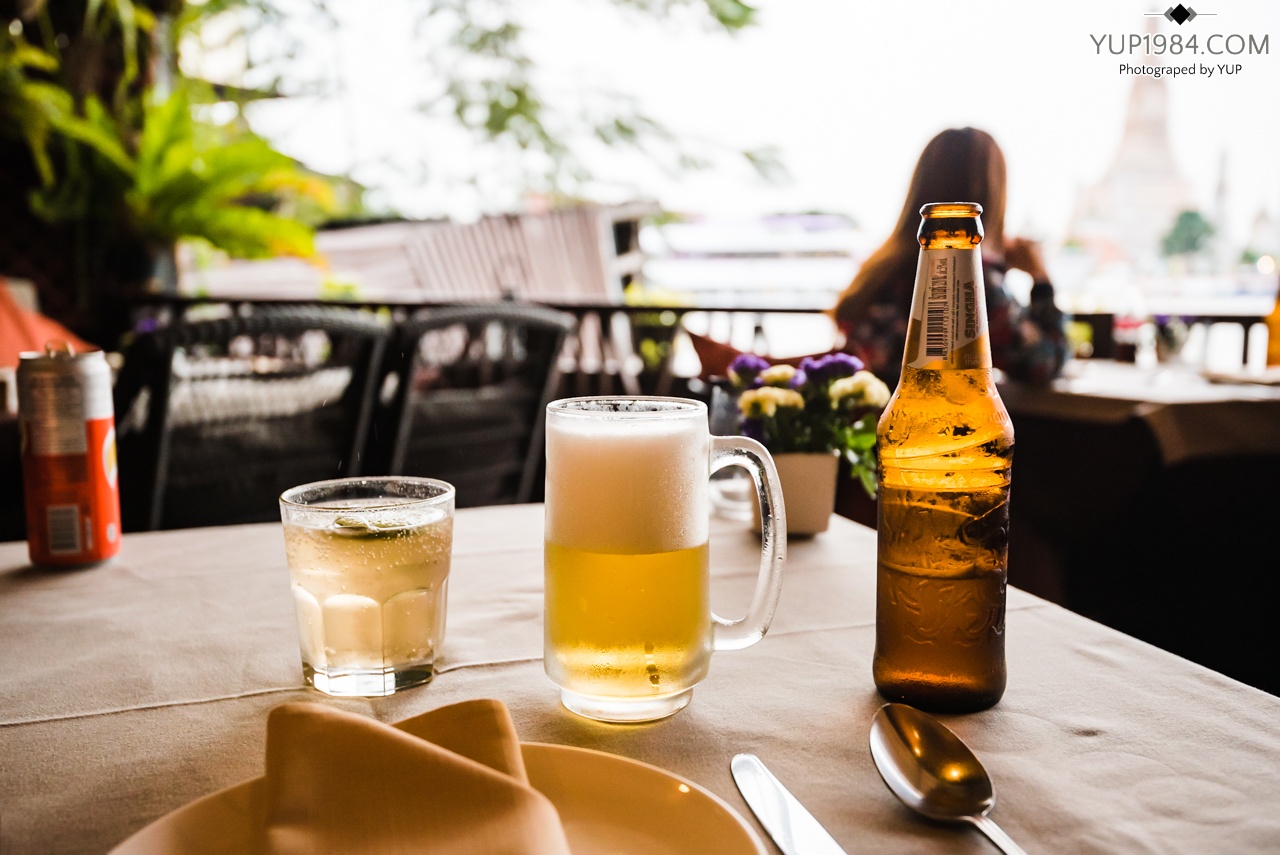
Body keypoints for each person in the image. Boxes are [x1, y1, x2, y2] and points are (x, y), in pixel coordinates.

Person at [832, 127, 1068, 387]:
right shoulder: (971, 280)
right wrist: (1041, 279)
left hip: (880, 410)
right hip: (936, 411)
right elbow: (1042, 363)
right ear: (992, 191)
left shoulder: (881, 269)